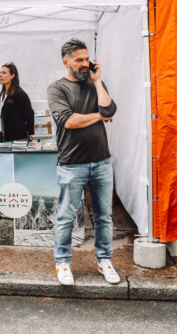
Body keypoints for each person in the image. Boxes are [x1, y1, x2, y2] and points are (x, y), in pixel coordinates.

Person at [47, 39, 119, 286]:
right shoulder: (56, 88)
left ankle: (104, 260)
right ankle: (62, 262)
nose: (85, 64)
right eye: (79, 59)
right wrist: (99, 116)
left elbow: (110, 109)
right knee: (66, 216)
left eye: (87, 59)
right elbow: (69, 121)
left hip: (101, 161)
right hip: (72, 163)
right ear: (65, 61)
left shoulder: (94, 83)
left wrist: (98, 81)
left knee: (104, 216)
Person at [0, 62, 35, 142]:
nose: (0, 75)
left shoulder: (19, 94)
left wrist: (30, 133)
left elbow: (29, 114)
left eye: (4, 73)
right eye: (0, 73)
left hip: (18, 139)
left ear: (12, 75)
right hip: (4, 137)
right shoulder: (2, 94)